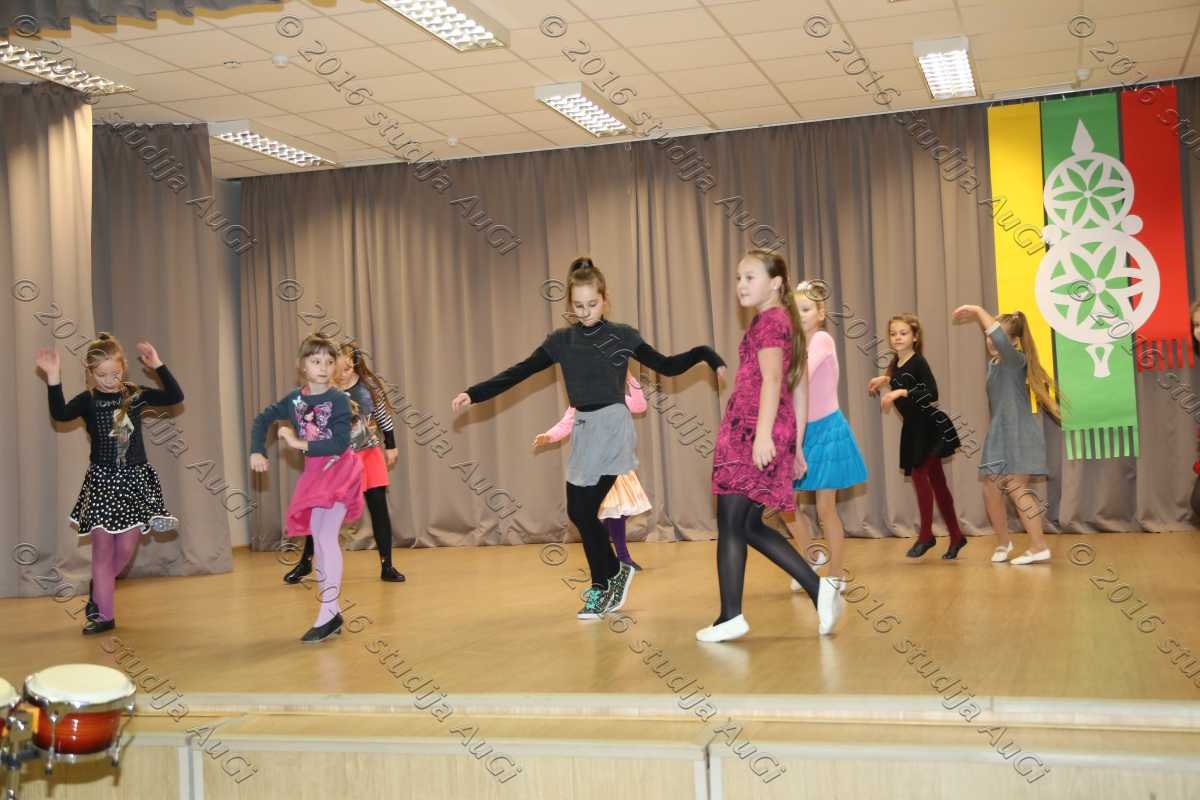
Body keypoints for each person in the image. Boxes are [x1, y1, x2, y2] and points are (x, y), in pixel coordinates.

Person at [452, 257, 724, 620]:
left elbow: (667, 366)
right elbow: (520, 372)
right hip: (583, 429)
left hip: (612, 428)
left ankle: (602, 585)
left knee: (585, 509)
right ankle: (612, 575)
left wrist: (705, 354)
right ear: (569, 305)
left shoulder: (622, 336)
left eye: (592, 304)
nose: (585, 312)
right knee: (578, 512)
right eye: (578, 306)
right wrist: (473, 393)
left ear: (605, 300)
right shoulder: (561, 342)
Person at [36, 333, 183, 635]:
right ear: (91, 373)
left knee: (125, 548)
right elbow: (60, 414)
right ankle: (104, 615)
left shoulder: (135, 394)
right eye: (101, 375)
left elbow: (174, 396)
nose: (108, 380)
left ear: (124, 368)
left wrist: (158, 365)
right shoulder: (88, 401)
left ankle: (99, 587)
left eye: (114, 374)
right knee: (102, 550)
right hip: (102, 482)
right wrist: (53, 377)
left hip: (134, 482)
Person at [250, 334, 364, 643]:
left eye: (329, 361)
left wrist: (297, 442)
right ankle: (332, 613)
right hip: (315, 474)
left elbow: (339, 443)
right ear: (302, 365)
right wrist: (257, 450)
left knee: (326, 538)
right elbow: (262, 419)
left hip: (340, 470)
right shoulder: (294, 400)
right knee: (318, 539)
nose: (323, 367)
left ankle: (327, 613)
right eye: (316, 361)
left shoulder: (339, 400)